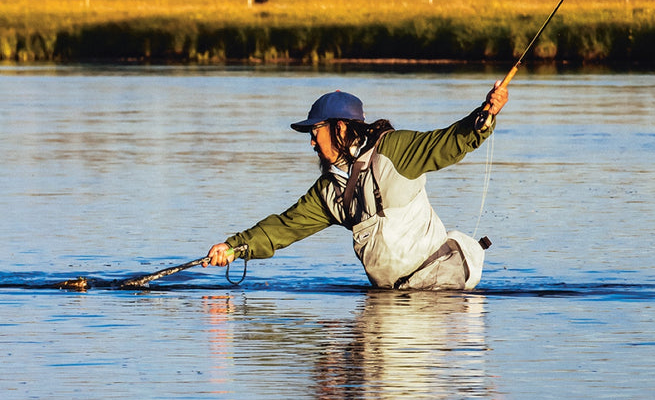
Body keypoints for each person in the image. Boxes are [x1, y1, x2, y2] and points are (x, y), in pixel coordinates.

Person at [206, 82, 508, 290]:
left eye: (315, 131)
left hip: (443, 285)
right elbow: (284, 228)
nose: (311, 141)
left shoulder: (395, 149)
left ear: (339, 127)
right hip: (392, 303)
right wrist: (234, 247)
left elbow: (449, 142)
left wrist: (486, 114)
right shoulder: (329, 191)